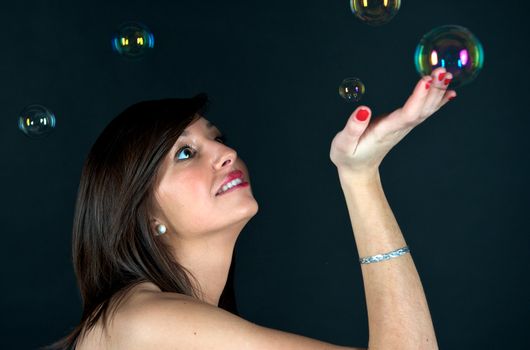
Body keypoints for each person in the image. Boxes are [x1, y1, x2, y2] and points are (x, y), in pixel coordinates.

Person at [45, 67, 455, 350]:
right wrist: (360, 177)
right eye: (185, 153)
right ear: (145, 214)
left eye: (217, 138)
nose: (227, 152)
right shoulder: (138, 320)